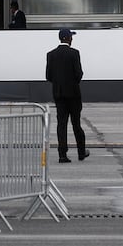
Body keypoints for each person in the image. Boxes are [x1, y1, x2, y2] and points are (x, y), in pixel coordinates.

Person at [44, 29, 88, 162]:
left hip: (59, 94)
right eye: (71, 37)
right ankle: (81, 151)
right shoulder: (74, 53)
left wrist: (59, 84)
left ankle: (62, 154)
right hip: (74, 94)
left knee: (61, 125)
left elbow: (48, 76)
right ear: (68, 38)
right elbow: (79, 74)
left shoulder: (51, 54)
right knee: (76, 123)